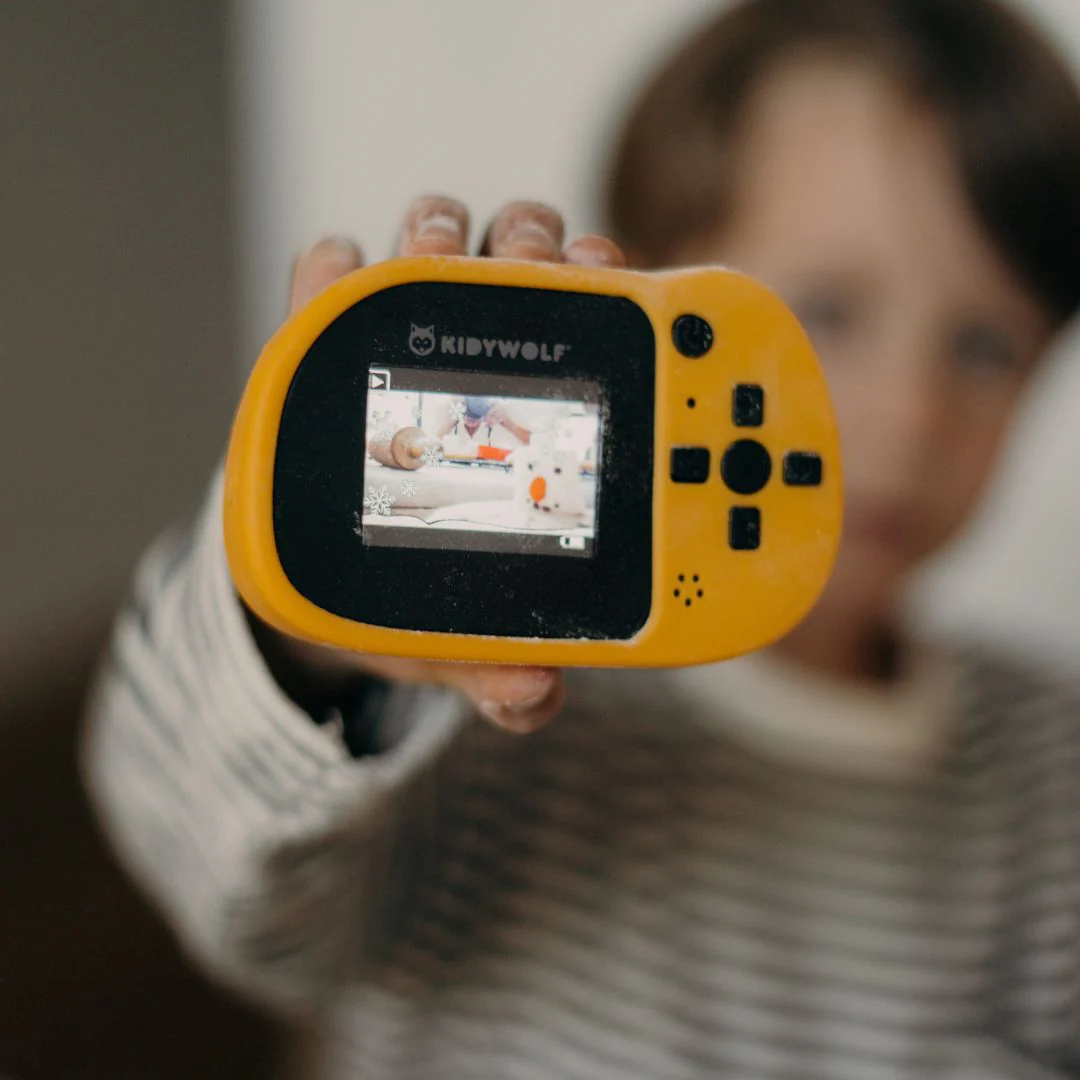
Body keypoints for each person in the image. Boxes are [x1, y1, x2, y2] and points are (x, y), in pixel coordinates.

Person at [82, 0, 1080, 1075]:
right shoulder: (470, 735)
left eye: (985, 346)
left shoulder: (1050, 773)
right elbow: (233, 889)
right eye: (830, 311)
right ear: (634, 296)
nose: (911, 415)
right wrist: (310, 647)